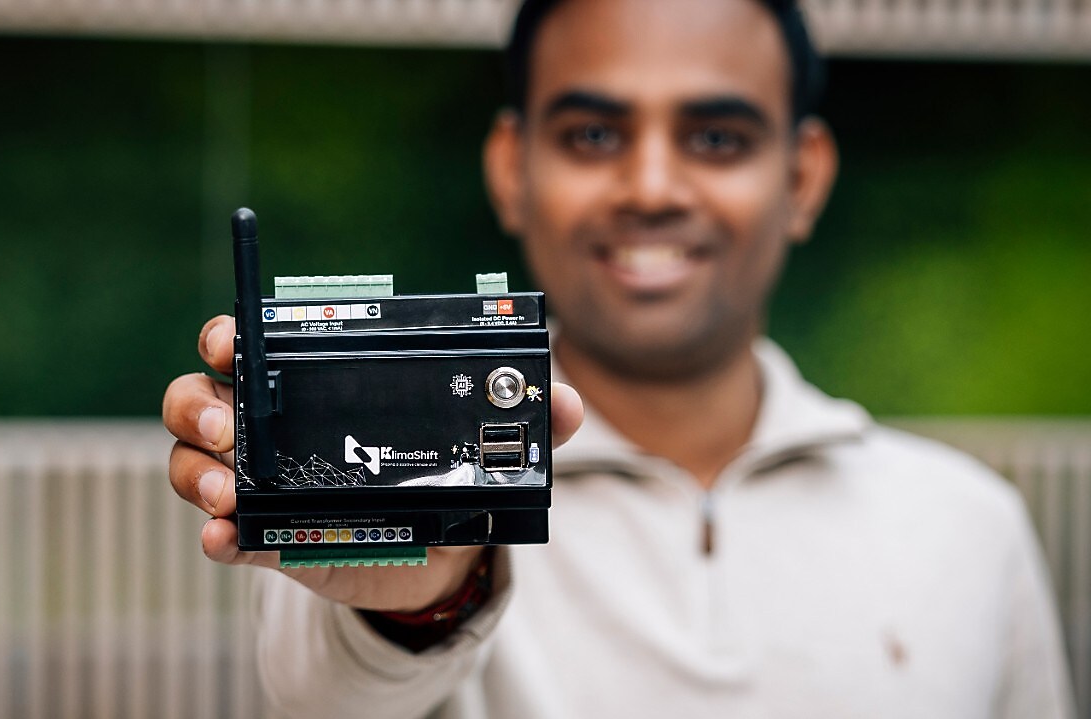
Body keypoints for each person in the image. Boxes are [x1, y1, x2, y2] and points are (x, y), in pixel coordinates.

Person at [162, 0, 1075, 715]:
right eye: (593, 136)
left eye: (717, 138)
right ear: (513, 168)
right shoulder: (375, 501)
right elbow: (327, 694)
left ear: (802, 177)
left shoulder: (968, 528)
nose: (649, 187)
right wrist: (425, 600)